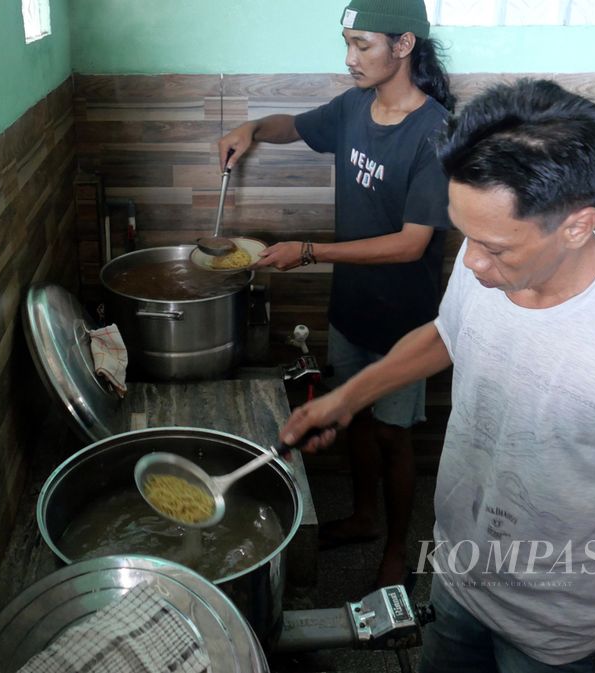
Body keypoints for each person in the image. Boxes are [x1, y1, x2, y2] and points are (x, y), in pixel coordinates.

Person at [280, 78, 595, 673]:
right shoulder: (479, 253)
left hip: (555, 620)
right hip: (456, 573)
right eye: (465, 237)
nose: (472, 262)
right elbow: (446, 334)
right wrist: (348, 398)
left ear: (577, 225)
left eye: (496, 248)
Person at [217, 0, 455, 588]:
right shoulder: (353, 108)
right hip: (350, 308)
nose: (350, 59)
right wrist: (250, 129)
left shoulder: (436, 132)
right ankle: (365, 516)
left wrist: (311, 251)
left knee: (394, 435)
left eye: (363, 46)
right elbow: (292, 126)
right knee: (353, 418)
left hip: (406, 323)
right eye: (347, 44)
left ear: (403, 46)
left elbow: (410, 244)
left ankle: (397, 548)